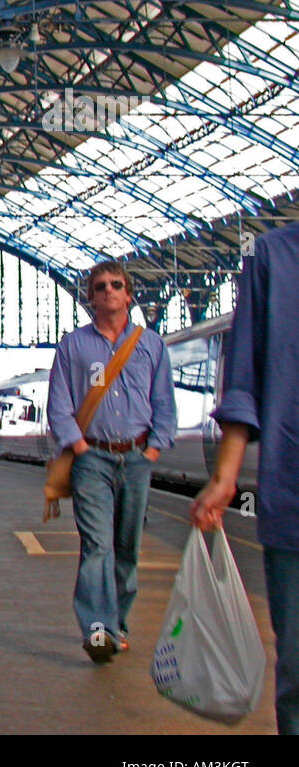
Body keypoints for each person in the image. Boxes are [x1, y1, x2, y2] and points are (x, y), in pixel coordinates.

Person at [189, 224, 298, 734]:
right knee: (297, 666)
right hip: (293, 491)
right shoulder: (271, 256)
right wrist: (225, 476)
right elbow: (245, 378)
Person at [46, 260, 175, 663]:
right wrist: (80, 448)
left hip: (136, 458)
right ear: (91, 297)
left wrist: (153, 449)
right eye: (99, 286)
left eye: (115, 285)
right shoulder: (73, 346)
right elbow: (60, 405)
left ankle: (118, 624)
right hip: (92, 460)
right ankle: (97, 630)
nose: (107, 291)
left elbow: (164, 404)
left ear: (129, 293)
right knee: (98, 546)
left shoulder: (151, 345)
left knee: (126, 549)